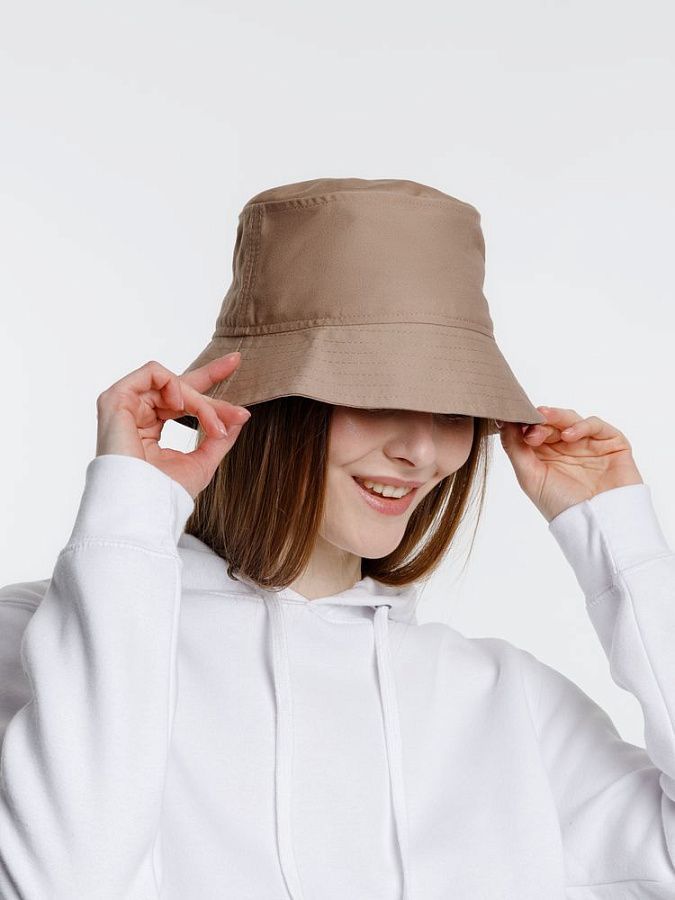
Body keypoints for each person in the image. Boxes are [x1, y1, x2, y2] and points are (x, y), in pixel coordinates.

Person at [1, 178, 674, 899]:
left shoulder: (504, 700)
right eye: (377, 397)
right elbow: (66, 880)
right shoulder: (51, 633)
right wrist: (129, 515)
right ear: (274, 402)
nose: (421, 451)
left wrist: (618, 535)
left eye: (454, 412)